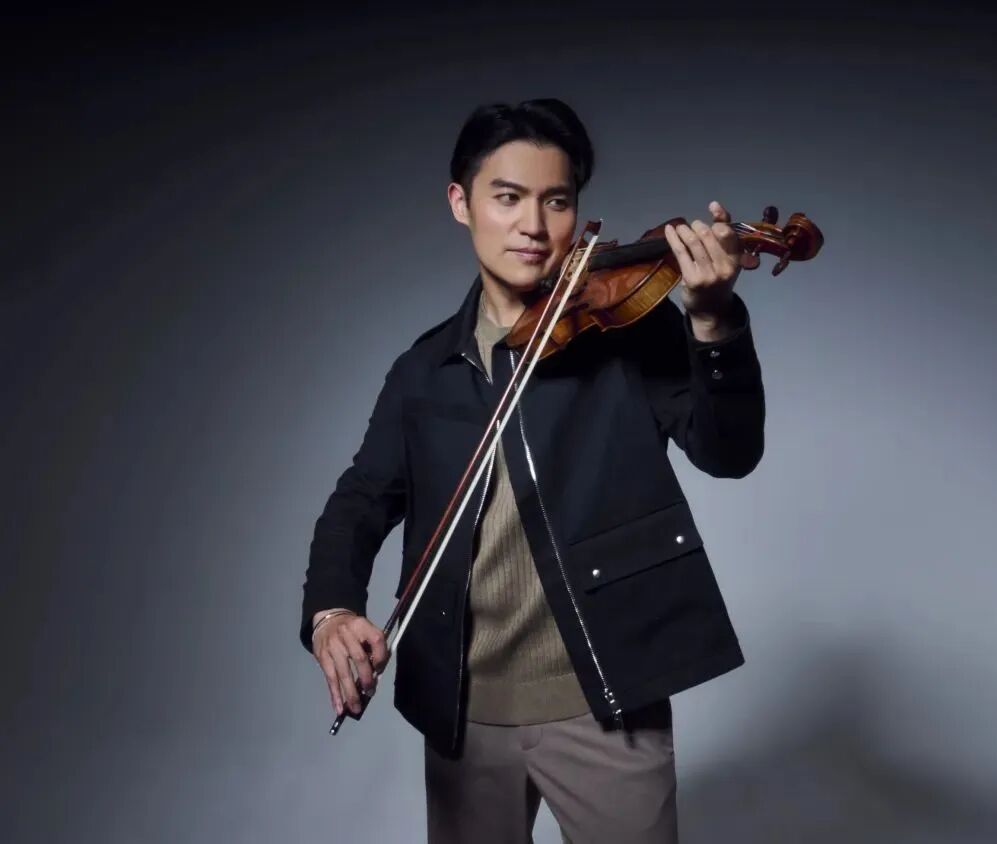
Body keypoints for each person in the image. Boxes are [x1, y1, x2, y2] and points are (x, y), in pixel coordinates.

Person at [299, 98, 765, 844]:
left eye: (556, 201)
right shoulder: (425, 369)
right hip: (463, 712)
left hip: (607, 697)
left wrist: (712, 323)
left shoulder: (629, 328)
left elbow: (729, 453)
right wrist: (331, 612)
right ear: (461, 203)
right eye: (508, 197)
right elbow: (360, 498)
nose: (534, 226)